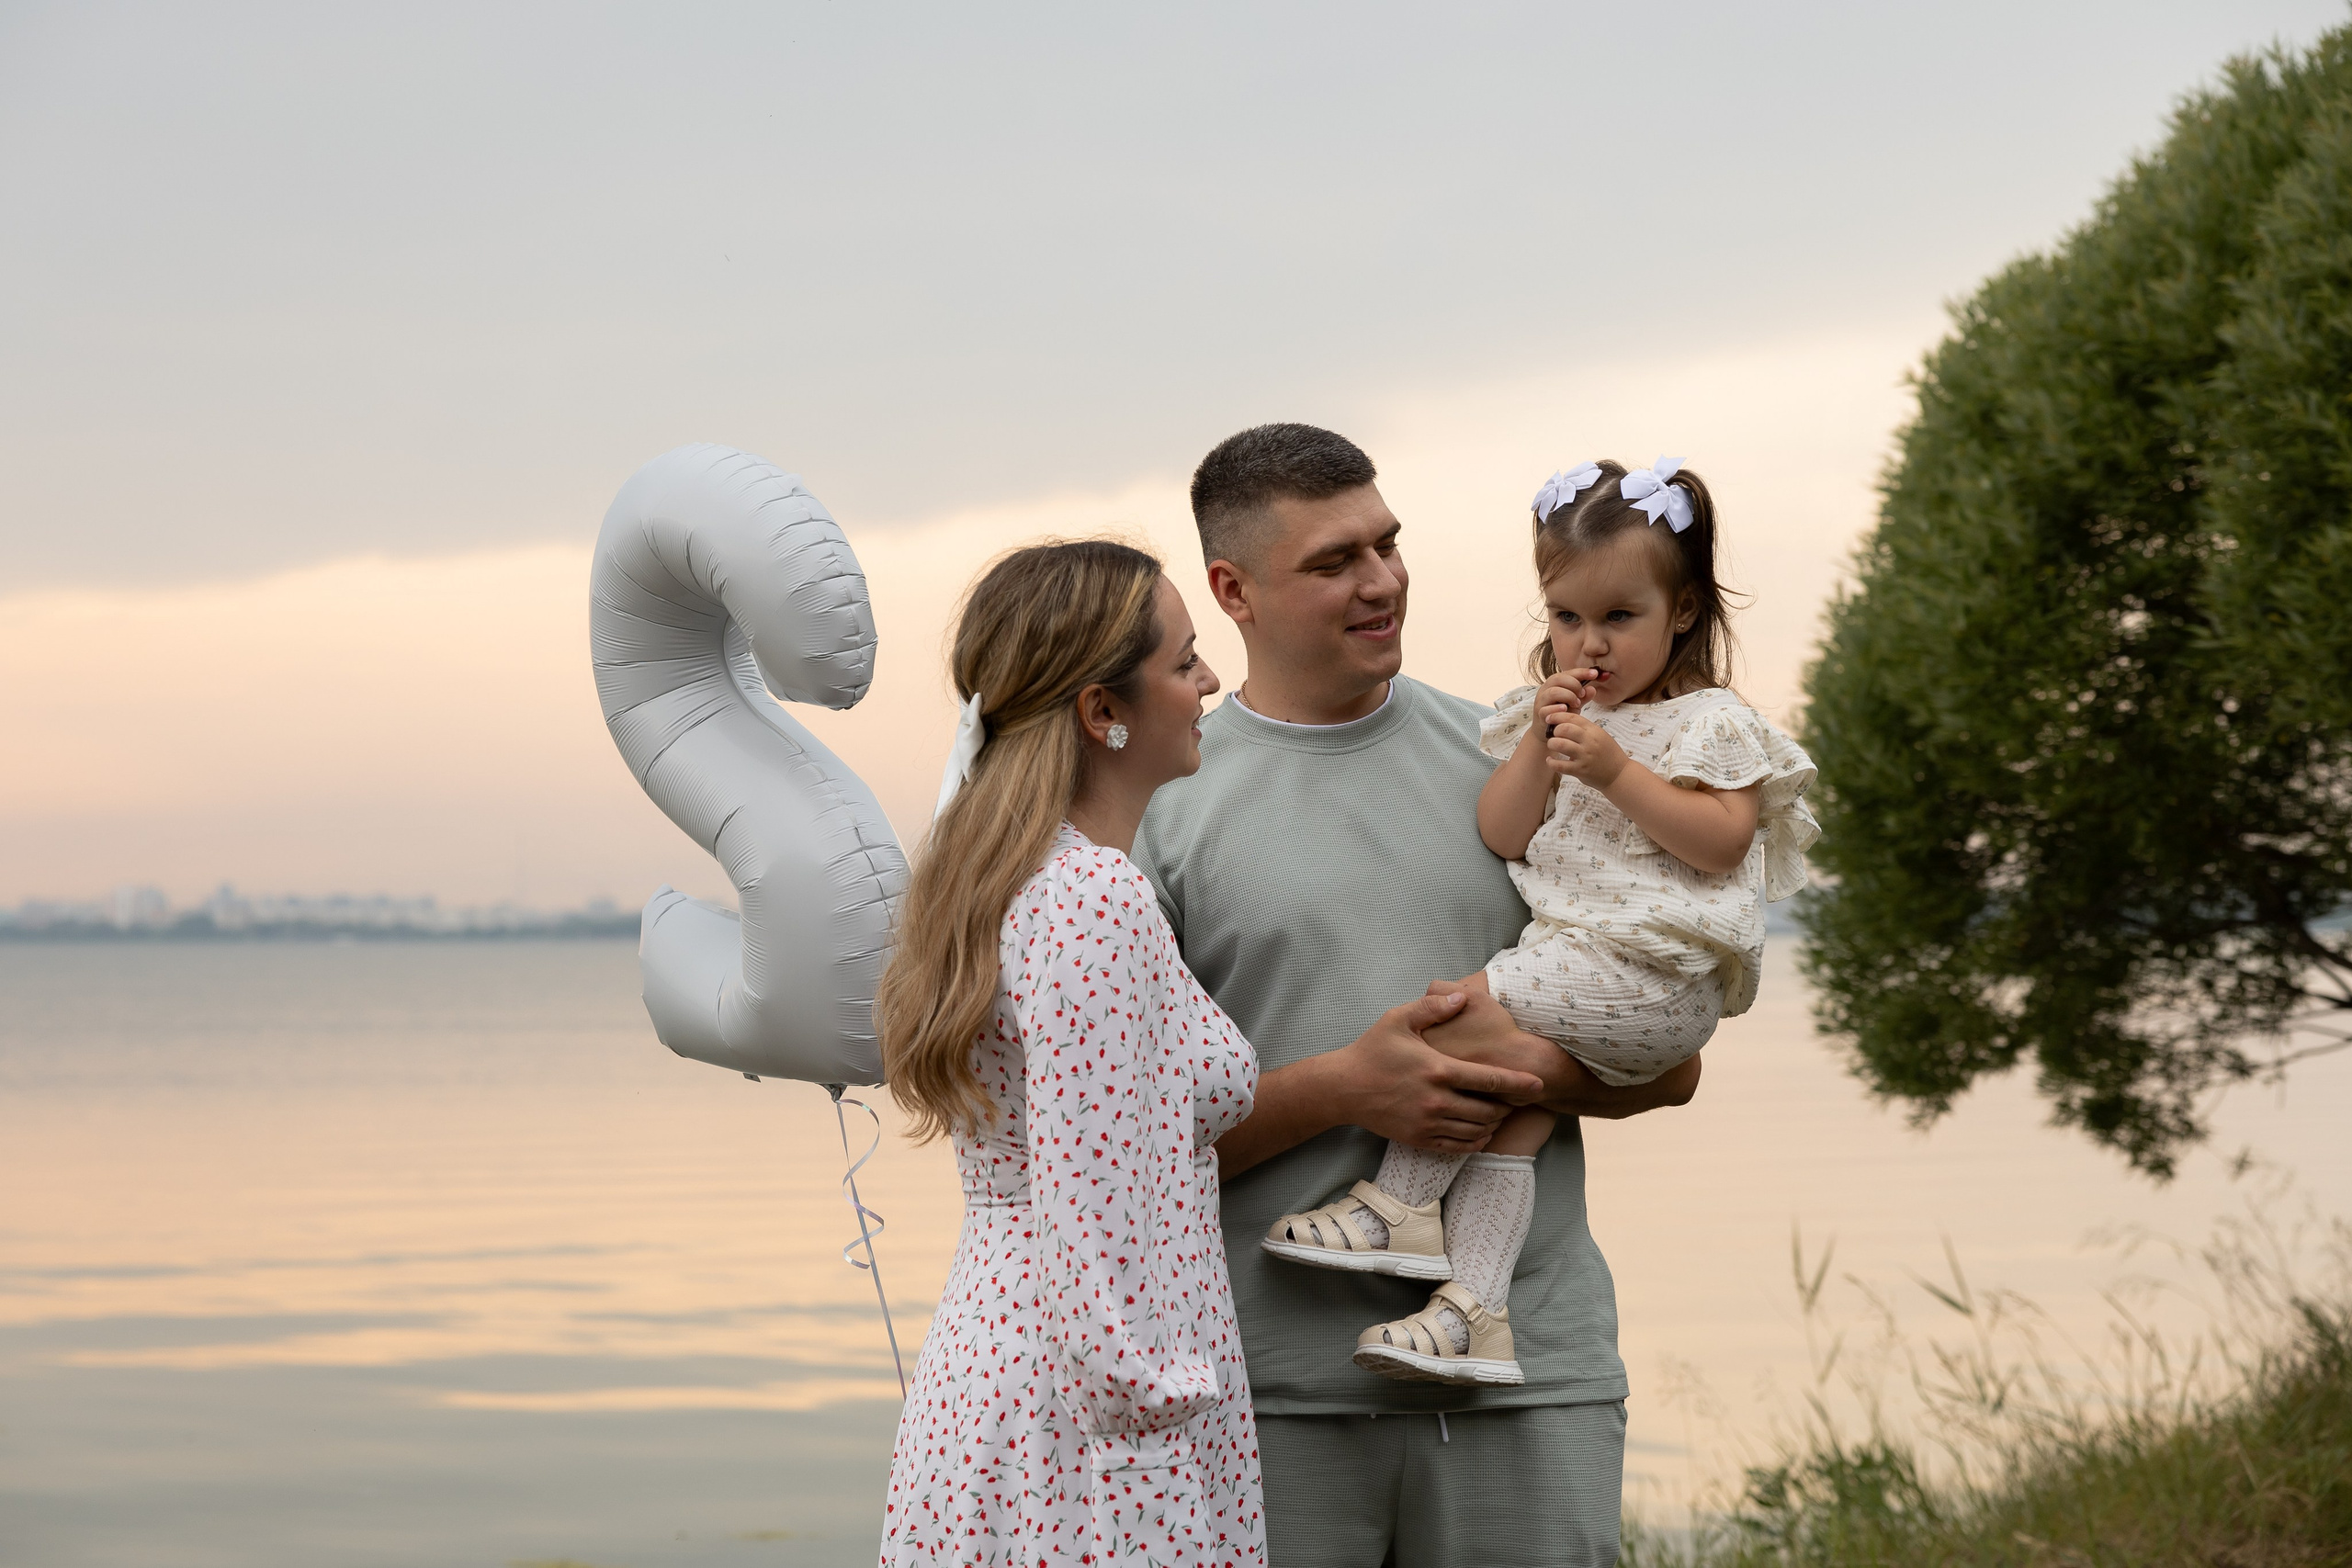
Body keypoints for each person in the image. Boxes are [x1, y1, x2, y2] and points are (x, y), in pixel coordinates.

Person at [1131, 424, 1702, 1568]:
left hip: (1531, 1379)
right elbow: (1120, 1152)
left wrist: (1516, 1073)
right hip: (1260, 1397)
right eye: (1335, 560)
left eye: (1388, 545)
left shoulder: (1521, 756)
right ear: (1231, 591)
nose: (1382, 581)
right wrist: (1350, 1090)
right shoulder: (1157, 806)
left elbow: (1668, 1059)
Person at [874, 539, 1495, 1568]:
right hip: (1095, 1433)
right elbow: (1094, 1203)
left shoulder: (1024, 884)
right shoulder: (1091, 901)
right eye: (1182, 661)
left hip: (1013, 1375)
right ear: (1098, 710)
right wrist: (1160, 1416)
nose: (1208, 681)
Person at [1262, 457, 1819, 1391]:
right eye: (1565, 618)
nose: (1587, 644)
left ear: (1681, 613)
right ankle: (1473, 1313)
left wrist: (1613, 774)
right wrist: (1537, 745)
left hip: (1653, 977)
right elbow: (1503, 830)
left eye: (1618, 618)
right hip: (1589, 972)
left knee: (1454, 1019)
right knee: (1513, 1117)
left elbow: (1721, 844)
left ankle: (1398, 1204)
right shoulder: (1554, 717)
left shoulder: (1709, 723)